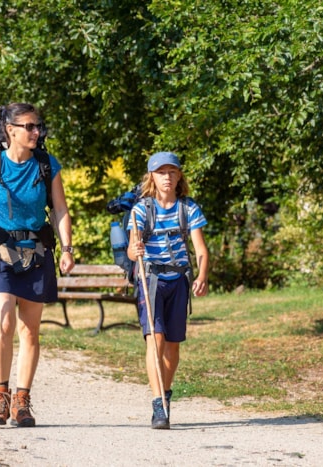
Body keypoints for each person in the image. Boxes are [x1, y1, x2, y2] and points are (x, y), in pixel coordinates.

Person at [0, 103, 74, 427]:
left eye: (38, 126)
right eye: (30, 126)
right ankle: (0, 397)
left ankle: (22, 401)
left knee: (29, 331)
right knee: (4, 322)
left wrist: (68, 248)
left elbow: (60, 210)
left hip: (36, 253)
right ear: (11, 130)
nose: (37, 132)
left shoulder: (47, 165)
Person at [126, 151, 209, 429]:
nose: (167, 177)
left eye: (172, 172)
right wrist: (134, 249)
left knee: (172, 346)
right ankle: (158, 403)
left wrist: (202, 276)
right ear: (152, 176)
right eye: (161, 172)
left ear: (179, 176)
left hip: (179, 281)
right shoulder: (140, 210)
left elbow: (201, 250)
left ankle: (166, 392)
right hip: (151, 281)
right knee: (156, 340)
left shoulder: (188, 208)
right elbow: (131, 247)